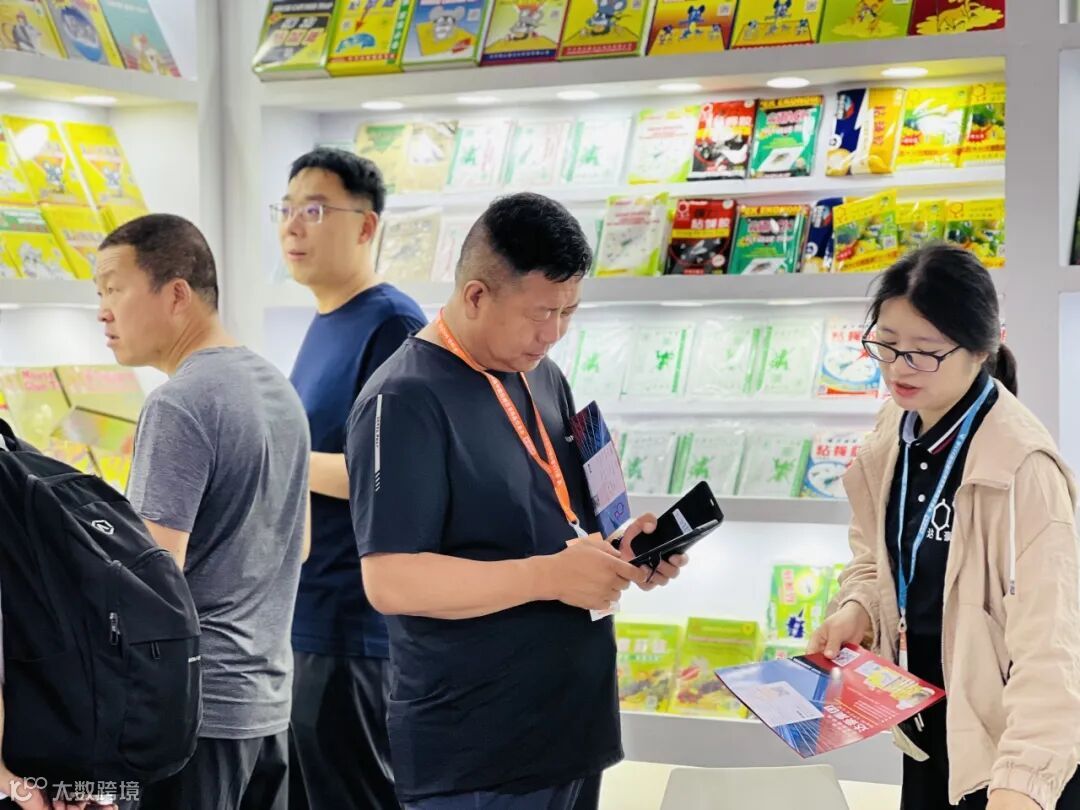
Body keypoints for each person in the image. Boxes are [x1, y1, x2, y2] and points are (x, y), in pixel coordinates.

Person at [345, 192, 688, 810]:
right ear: (477, 295)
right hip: (479, 748)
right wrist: (550, 577)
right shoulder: (404, 399)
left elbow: (558, 521)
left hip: (571, 727)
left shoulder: (542, 374)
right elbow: (391, 580)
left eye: (569, 311)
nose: (554, 333)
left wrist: (623, 551)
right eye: (540, 313)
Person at [809, 244, 1080, 810]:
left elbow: (1052, 646)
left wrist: (1023, 783)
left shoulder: (1024, 469)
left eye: (925, 353)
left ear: (981, 348)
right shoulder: (896, 430)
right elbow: (877, 555)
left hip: (1012, 756)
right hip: (932, 732)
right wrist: (860, 607)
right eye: (887, 344)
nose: (899, 368)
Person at [96, 215, 311, 810]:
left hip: (194, 714)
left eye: (114, 288)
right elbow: (298, 545)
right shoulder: (277, 388)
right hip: (266, 709)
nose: (103, 311)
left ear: (176, 294)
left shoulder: (179, 403)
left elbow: (151, 582)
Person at [276, 148, 425, 810]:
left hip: (354, 632)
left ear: (366, 226)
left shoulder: (392, 324)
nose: (292, 226)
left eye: (314, 210)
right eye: (285, 210)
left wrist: (276, 457)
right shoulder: (325, 321)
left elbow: (393, 477)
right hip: (307, 617)